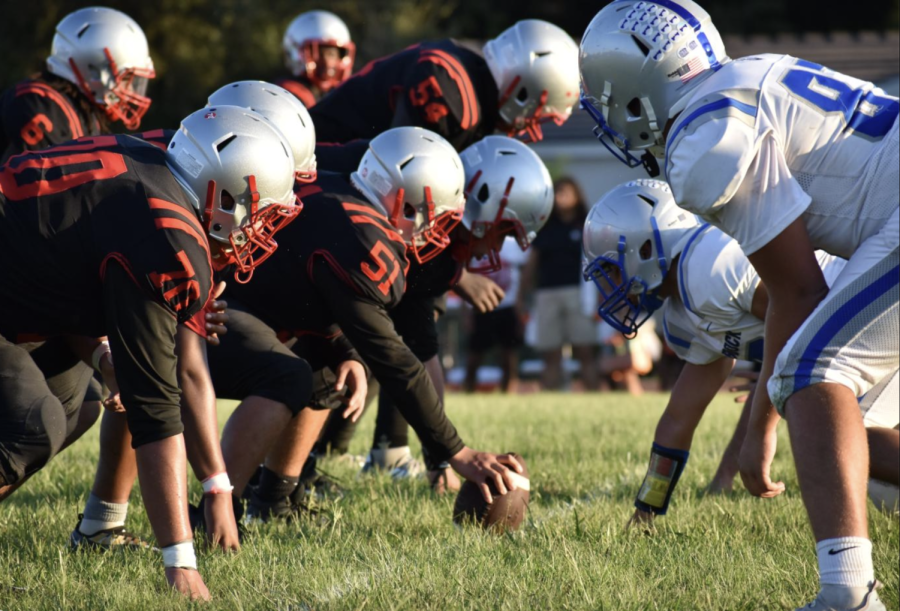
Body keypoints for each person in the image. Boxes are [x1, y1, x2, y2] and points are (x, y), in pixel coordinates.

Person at [580, 2, 899, 609]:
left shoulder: (704, 141)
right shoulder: (747, 75)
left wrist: (759, 433)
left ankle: (847, 591)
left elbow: (800, 292)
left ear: (637, 91)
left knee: (811, 372)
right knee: (847, 410)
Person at [0, 105, 300, 600]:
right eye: (258, 210)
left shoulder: (151, 164)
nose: (259, 229)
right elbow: (158, 410)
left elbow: (55, 270)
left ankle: (99, 527)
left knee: (75, 398)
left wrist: (103, 359)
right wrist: (180, 561)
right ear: (221, 194)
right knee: (33, 426)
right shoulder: (167, 235)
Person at [216, 127, 526, 521]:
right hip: (214, 307)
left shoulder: (343, 194)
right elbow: (395, 360)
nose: (440, 233)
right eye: (439, 219)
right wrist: (456, 452)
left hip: (245, 302)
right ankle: (219, 505)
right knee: (289, 377)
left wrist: (345, 351)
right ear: (404, 203)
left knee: (329, 370)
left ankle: (274, 500)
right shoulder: (365, 241)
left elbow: (316, 294)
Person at [69, 80, 318, 550]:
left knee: (133, 370)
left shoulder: (179, 157)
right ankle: (126, 521)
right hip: (54, 304)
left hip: (88, 300)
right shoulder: (174, 192)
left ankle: (103, 523)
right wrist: (216, 488)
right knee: (64, 409)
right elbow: (185, 365)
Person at [582, 180, 896, 533]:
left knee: (837, 432)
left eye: (610, 269)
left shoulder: (710, 263)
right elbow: (677, 419)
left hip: (879, 310)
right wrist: (645, 513)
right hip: (858, 336)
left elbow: (797, 314)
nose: (609, 285)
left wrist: (761, 431)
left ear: (645, 247)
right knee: (881, 490)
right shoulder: (681, 317)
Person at [309, 20, 579, 151]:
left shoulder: (471, 78)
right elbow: (397, 171)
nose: (530, 125)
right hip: (318, 160)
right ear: (521, 91)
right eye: (537, 115)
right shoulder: (449, 89)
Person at [0, 7, 155, 163]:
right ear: (95, 71)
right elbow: (43, 182)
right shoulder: (40, 105)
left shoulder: (85, 114)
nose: (130, 89)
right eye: (126, 79)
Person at [520, 177, 597, 390]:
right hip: (546, 294)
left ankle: (593, 396)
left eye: (566, 192)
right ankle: (552, 395)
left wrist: (601, 296)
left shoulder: (586, 226)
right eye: (558, 193)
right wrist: (522, 295)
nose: (561, 197)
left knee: (584, 350)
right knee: (550, 352)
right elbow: (531, 263)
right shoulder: (545, 227)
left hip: (578, 294)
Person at [463, 236, 528, 393]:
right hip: (480, 305)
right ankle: (468, 390)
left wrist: (520, 303)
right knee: (475, 356)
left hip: (507, 305)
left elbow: (525, 271)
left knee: (509, 355)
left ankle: (508, 392)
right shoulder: (475, 240)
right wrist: (466, 310)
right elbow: (464, 276)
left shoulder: (512, 242)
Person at [277, 10, 355, 108]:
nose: (328, 62)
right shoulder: (291, 93)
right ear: (296, 52)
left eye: (332, 54)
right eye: (319, 54)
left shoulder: (339, 93)